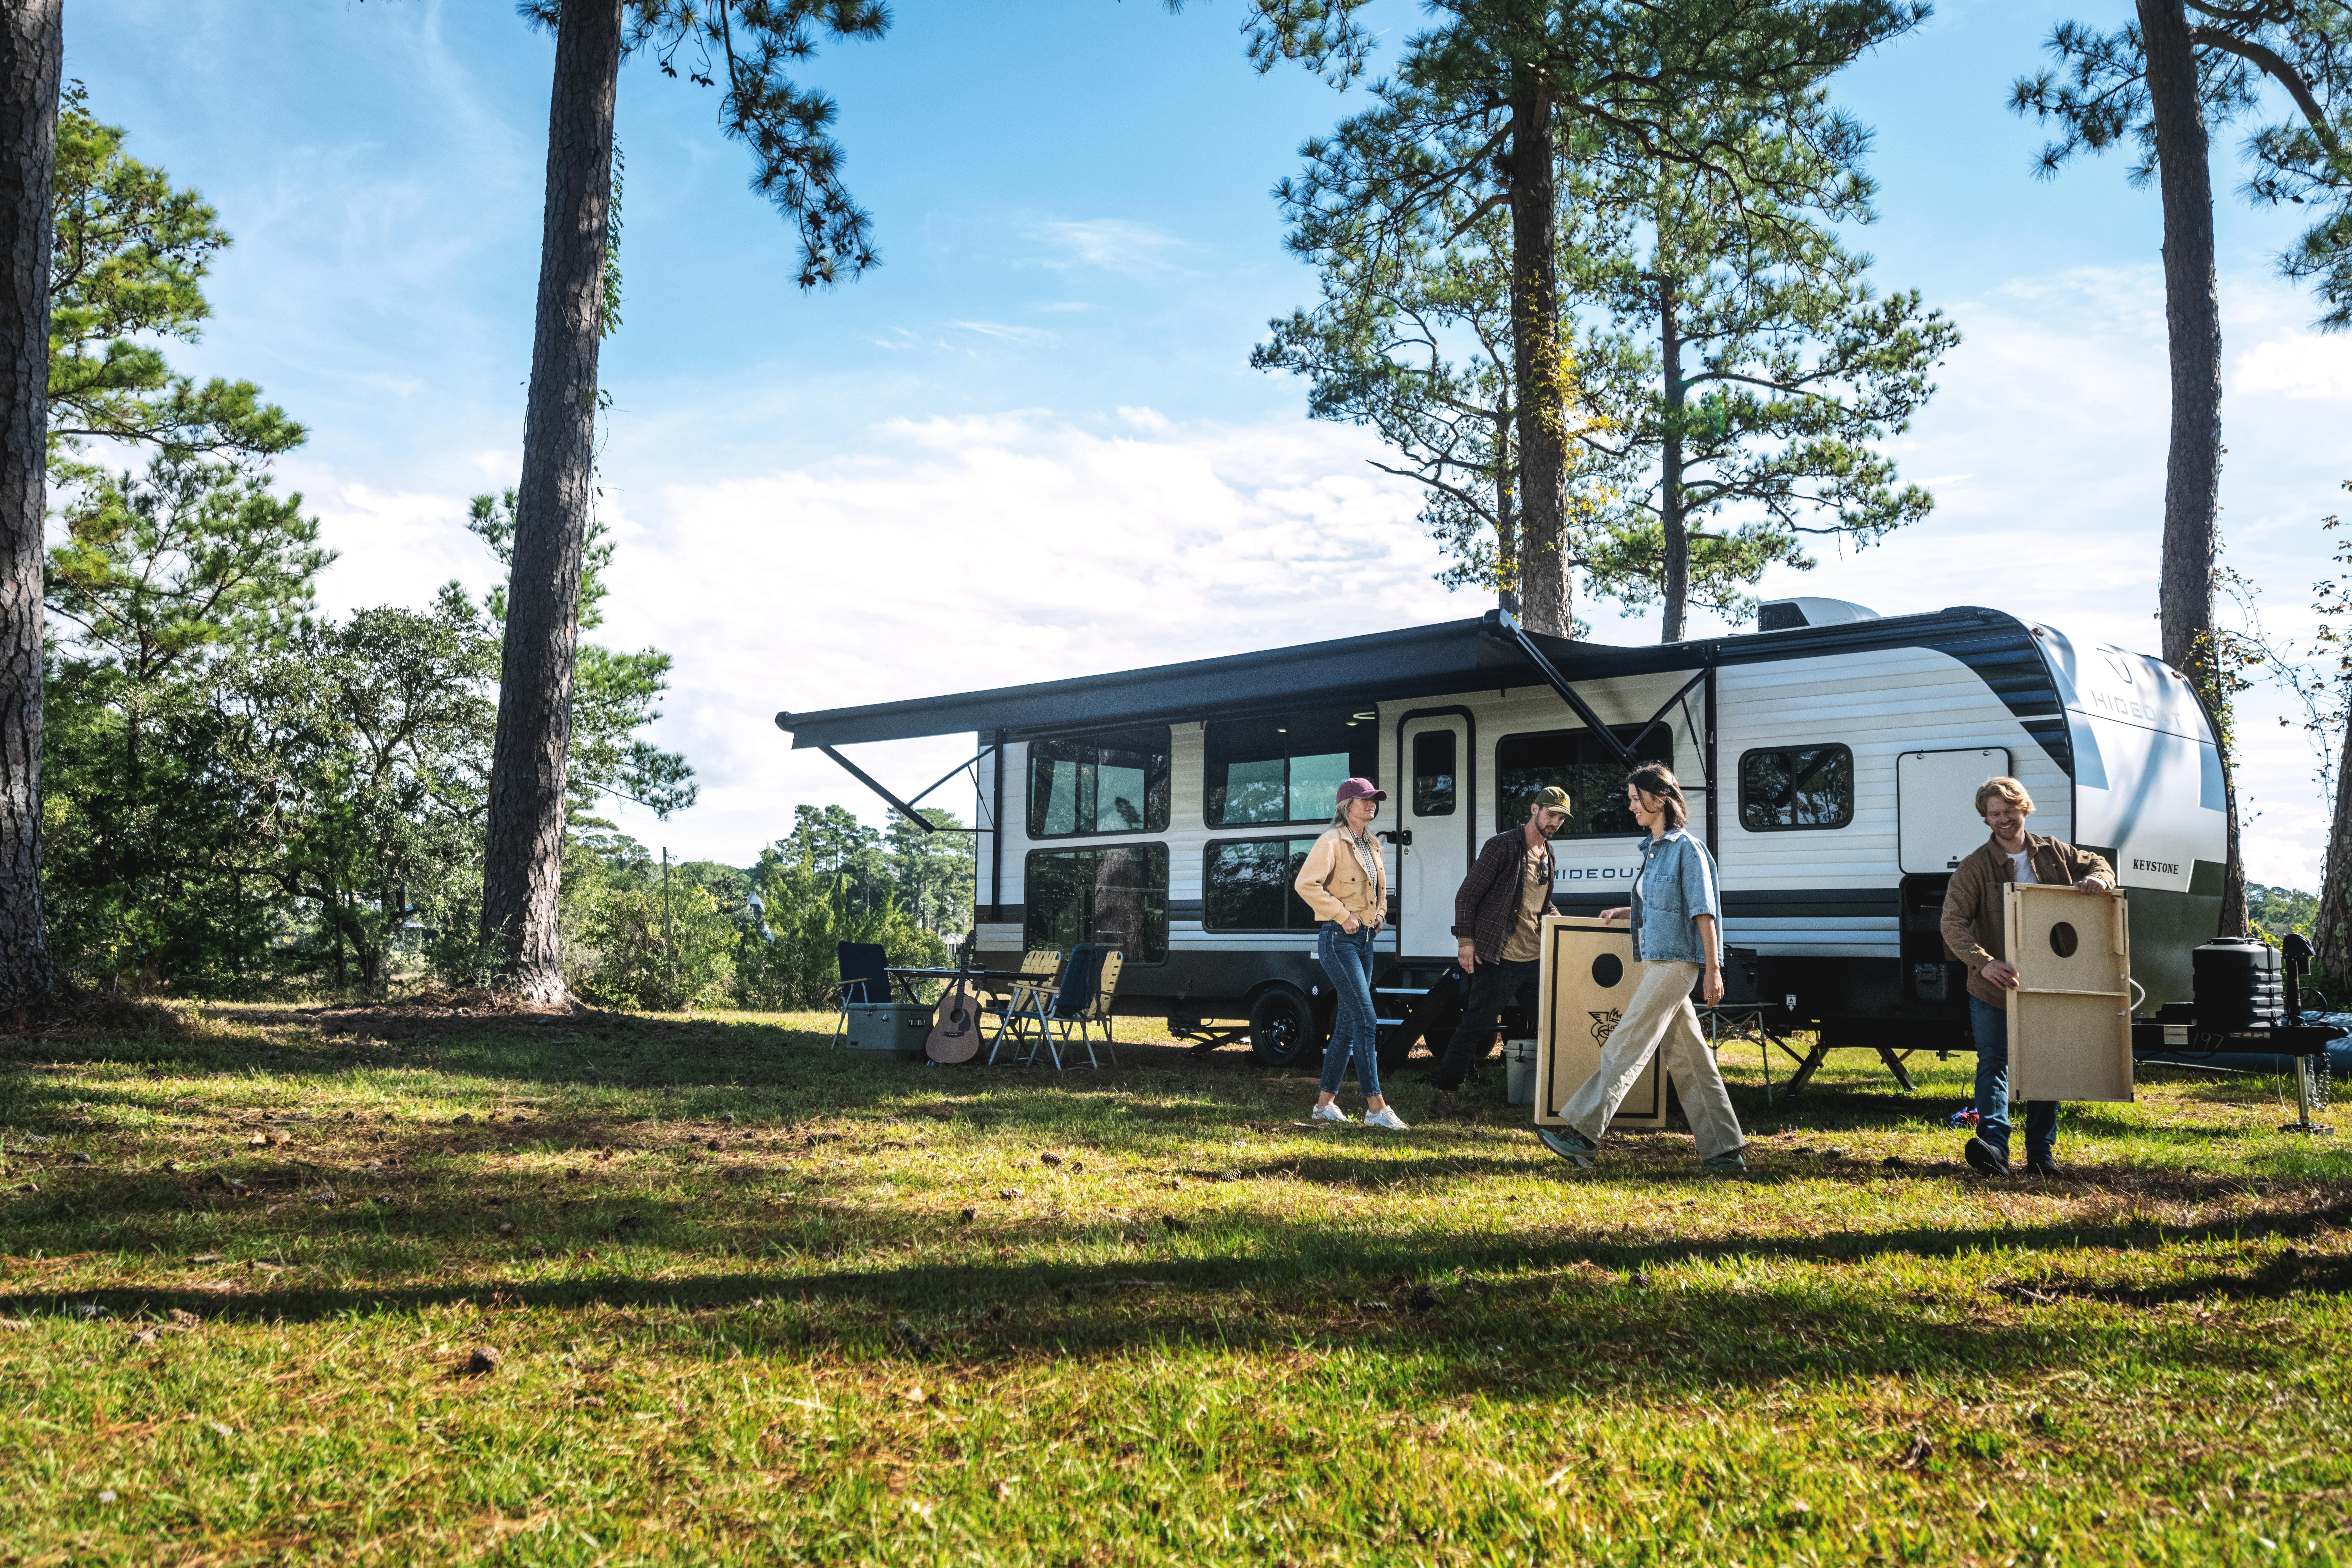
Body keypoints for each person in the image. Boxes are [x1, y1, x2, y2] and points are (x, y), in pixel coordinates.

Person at [1547, 765, 1747, 1173]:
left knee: (1627, 1042)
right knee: (1691, 1059)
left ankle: (1583, 1135)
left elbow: (1704, 913)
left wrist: (1714, 970)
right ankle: (1725, 1151)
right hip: (1656, 960)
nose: (1632, 806)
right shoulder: (1653, 849)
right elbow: (1659, 903)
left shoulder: (1687, 849)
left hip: (1676, 965)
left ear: (1660, 799)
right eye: (1631, 799)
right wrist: (1627, 911)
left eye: (1637, 799)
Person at [1938, 776, 2114, 1178]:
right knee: (1994, 1062)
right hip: (1994, 984)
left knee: (2046, 1064)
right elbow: (1952, 924)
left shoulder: (2053, 852)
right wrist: (1985, 963)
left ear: (2025, 809)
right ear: (1986, 818)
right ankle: (1995, 1147)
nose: (2002, 820)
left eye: (2009, 811)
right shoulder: (1974, 868)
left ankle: (2041, 1155)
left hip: (2050, 977)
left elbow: (2098, 864)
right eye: (1994, 814)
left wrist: (2100, 880)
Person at [1428, 785, 1573, 1120]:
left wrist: (1551, 911)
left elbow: (1534, 898)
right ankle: (1444, 1097)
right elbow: (1467, 895)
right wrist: (1466, 941)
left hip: (1534, 958)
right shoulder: (1503, 846)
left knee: (1551, 1026)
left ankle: (1561, 1099)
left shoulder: (1548, 854)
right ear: (1534, 809)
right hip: (1500, 957)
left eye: (1561, 818)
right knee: (1476, 1027)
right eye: (1551, 814)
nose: (1555, 822)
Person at [1293, 777, 1408, 1130]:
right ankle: (1376, 1108)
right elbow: (1305, 884)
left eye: (1375, 799)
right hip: (1337, 938)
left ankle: (1324, 1106)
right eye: (1365, 799)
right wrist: (1344, 916)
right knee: (1366, 1018)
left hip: (1365, 941)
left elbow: (1382, 890)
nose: (1372, 804)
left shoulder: (1373, 844)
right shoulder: (1332, 841)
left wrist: (1380, 914)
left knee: (1345, 1025)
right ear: (1346, 805)